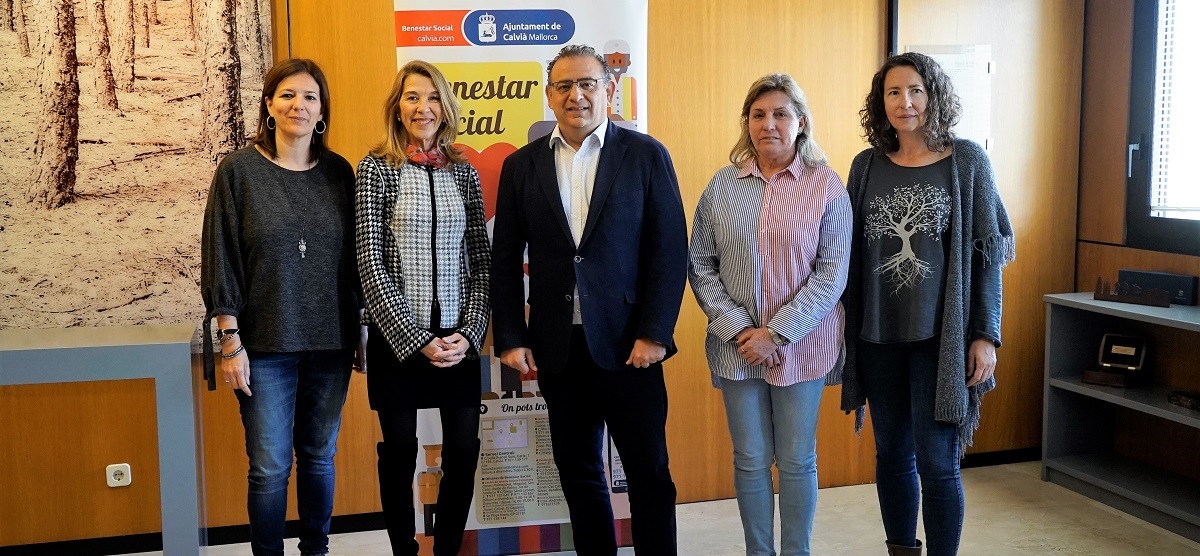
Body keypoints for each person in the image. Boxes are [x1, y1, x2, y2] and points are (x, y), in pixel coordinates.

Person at [490, 44, 688, 555]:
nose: (576, 95)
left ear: (609, 89)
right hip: (559, 348)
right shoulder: (521, 166)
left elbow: (669, 251)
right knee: (579, 475)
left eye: (587, 84)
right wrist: (510, 337)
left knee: (649, 472)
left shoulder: (645, 155)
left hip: (631, 347)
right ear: (549, 95)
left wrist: (655, 334)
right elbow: (506, 256)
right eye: (564, 86)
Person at [840, 52, 1015, 556]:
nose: (905, 102)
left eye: (915, 90)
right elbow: (844, 246)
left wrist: (985, 334)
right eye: (893, 92)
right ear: (881, 102)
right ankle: (901, 549)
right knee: (891, 455)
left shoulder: (966, 162)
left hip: (942, 339)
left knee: (938, 461)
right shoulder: (865, 165)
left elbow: (988, 256)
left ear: (934, 95)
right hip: (877, 335)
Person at [201, 58, 363, 556]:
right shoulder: (238, 171)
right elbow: (221, 255)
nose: (300, 105)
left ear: (323, 111)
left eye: (311, 97)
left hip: (330, 343)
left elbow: (357, 258)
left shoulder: (340, 172)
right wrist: (229, 343)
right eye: (288, 95)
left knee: (319, 456)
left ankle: (316, 549)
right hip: (263, 346)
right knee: (269, 466)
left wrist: (360, 330)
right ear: (269, 105)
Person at [688, 74, 851, 556]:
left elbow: (832, 273)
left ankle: (795, 552)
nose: (769, 124)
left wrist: (777, 333)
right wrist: (740, 328)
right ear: (747, 123)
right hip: (736, 348)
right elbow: (700, 263)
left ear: (800, 122)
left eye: (781, 114)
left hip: (802, 347)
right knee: (751, 460)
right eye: (758, 115)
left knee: (798, 461)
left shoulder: (827, 185)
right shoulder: (722, 185)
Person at [355, 60, 490, 556]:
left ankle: (447, 548)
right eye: (412, 97)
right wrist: (416, 338)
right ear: (398, 106)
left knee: (462, 449)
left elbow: (480, 258)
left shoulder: (464, 173)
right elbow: (369, 260)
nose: (423, 107)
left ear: (445, 107)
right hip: (399, 338)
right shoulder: (375, 168)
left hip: (457, 337)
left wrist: (471, 332)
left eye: (432, 97)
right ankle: (403, 550)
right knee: (399, 452)